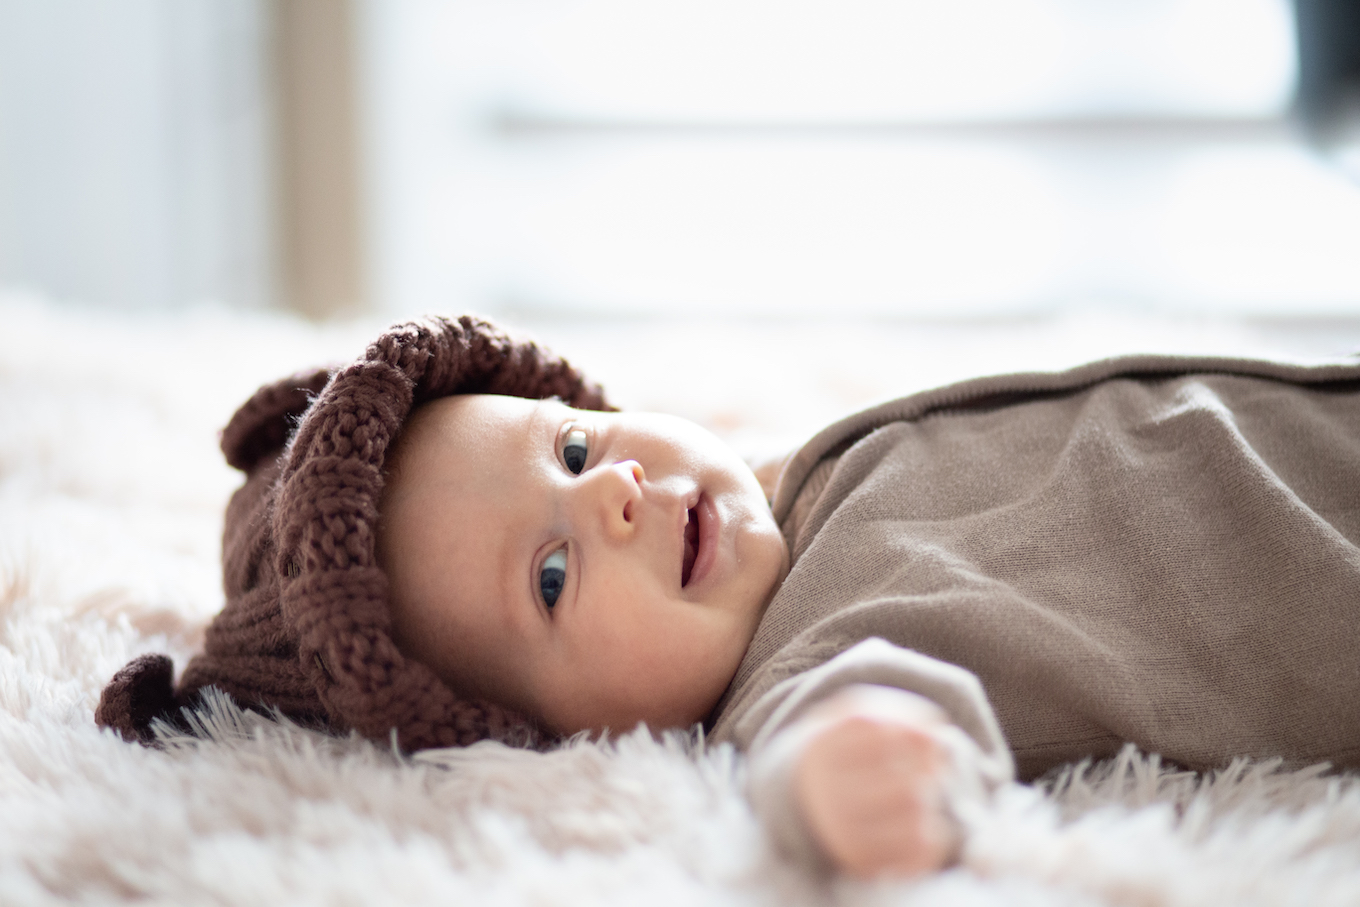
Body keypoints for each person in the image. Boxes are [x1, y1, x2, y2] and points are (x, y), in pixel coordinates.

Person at [96, 315, 1360, 879]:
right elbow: (856, 722)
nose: (613, 498)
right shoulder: (810, 663)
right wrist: (847, 772)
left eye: (574, 448)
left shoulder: (801, 482)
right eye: (550, 578)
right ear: (550, 734)